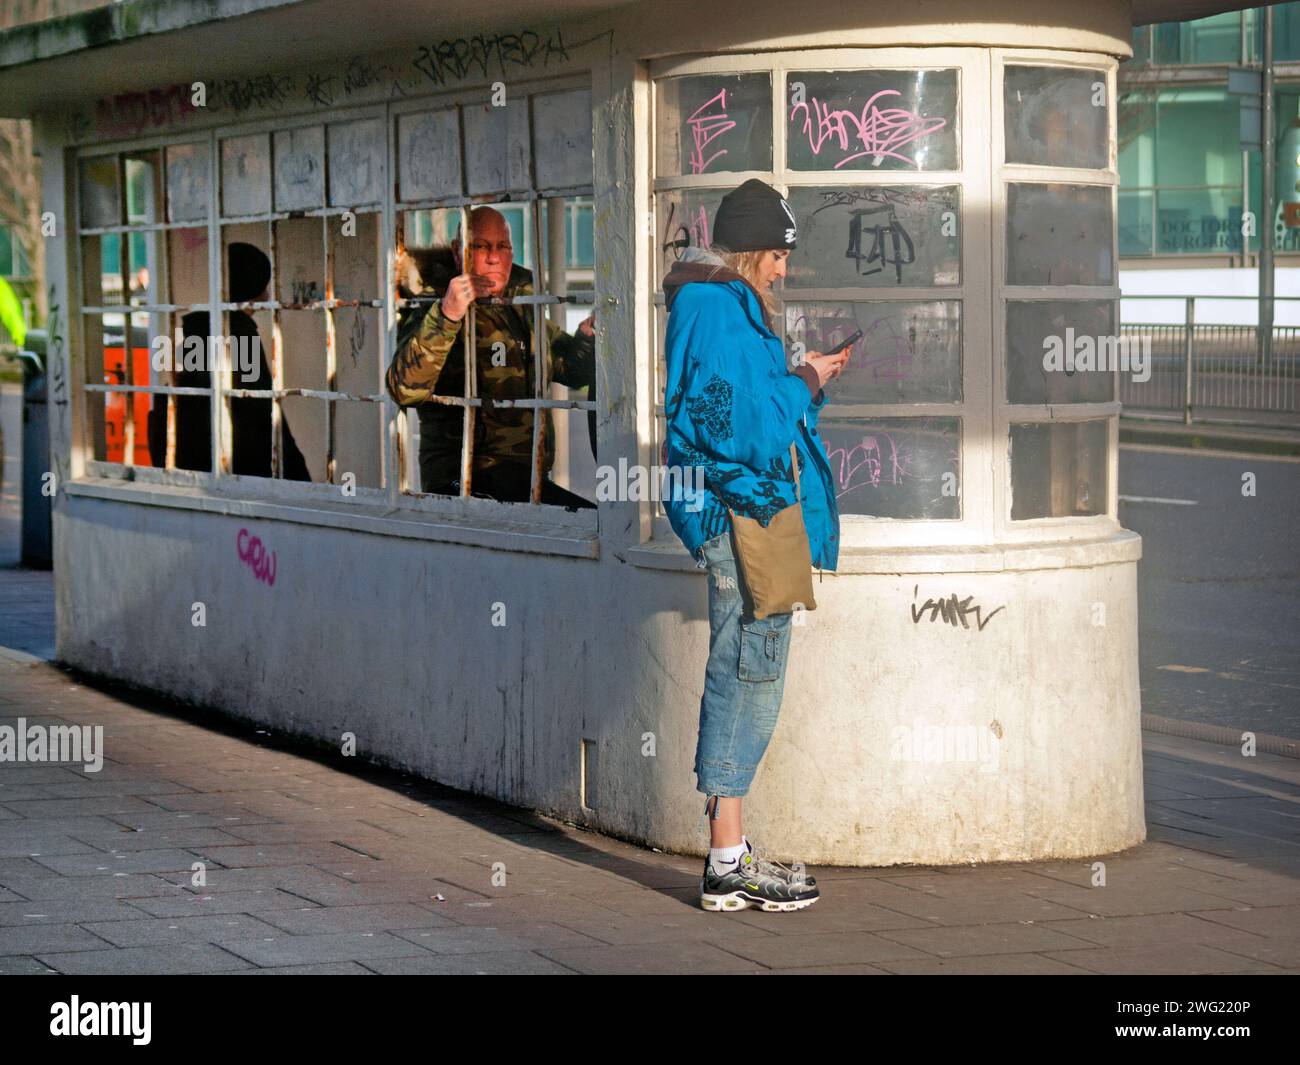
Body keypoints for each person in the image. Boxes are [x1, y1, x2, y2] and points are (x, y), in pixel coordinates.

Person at [661, 178, 850, 912]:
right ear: (748, 252)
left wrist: (805, 381)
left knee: (746, 665)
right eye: (776, 254)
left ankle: (728, 851)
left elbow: (739, 413)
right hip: (739, 514)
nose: (783, 269)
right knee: (747, 670)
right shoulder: (717, 311)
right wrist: (805, 378)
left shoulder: (719, 306)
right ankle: (726, 858)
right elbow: (750, 430)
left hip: (742, 509)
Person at [386, 206, 596, 507]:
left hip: (527, 478)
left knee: (589, 526)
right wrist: (447, 315)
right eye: (481, 247)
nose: (494, 257)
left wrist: (585, 340)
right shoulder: (432, 308)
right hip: (461, 483)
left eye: (503, 246)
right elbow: (403, 390)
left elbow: (569, 370)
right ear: (459, 252)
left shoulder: (521, 305)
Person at [148, 242, 310, 480]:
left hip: (195, 464)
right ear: (255, 284)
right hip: (238, 467)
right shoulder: (240, 334)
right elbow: (262, 408)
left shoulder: (195, 329)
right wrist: (298, 475)